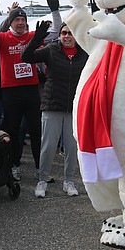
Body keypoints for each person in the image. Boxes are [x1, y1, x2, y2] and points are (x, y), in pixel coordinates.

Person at [0, 0, 62, 181]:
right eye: (17, 19)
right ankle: (14, 166)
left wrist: (55, 11)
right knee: (13, 131)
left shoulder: (32, 36)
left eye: (23, 20)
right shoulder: (3, 38)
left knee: (36, 130)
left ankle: (41, 169)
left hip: (31, 89)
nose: (21, 23)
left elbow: (55, 32)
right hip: (11, 91)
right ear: (10, 22)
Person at [22, 21, 88, 198]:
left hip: (74, 106)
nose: (67, 36)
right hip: (52, 104)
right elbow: (26, 57)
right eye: (64, 33)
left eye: (70, 33)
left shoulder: (84, 53)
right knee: (48, 146)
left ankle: (69, 181)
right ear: (59, 35)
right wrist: (36, 39)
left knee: (72, 147)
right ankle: (42, 180)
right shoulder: (51, 50)